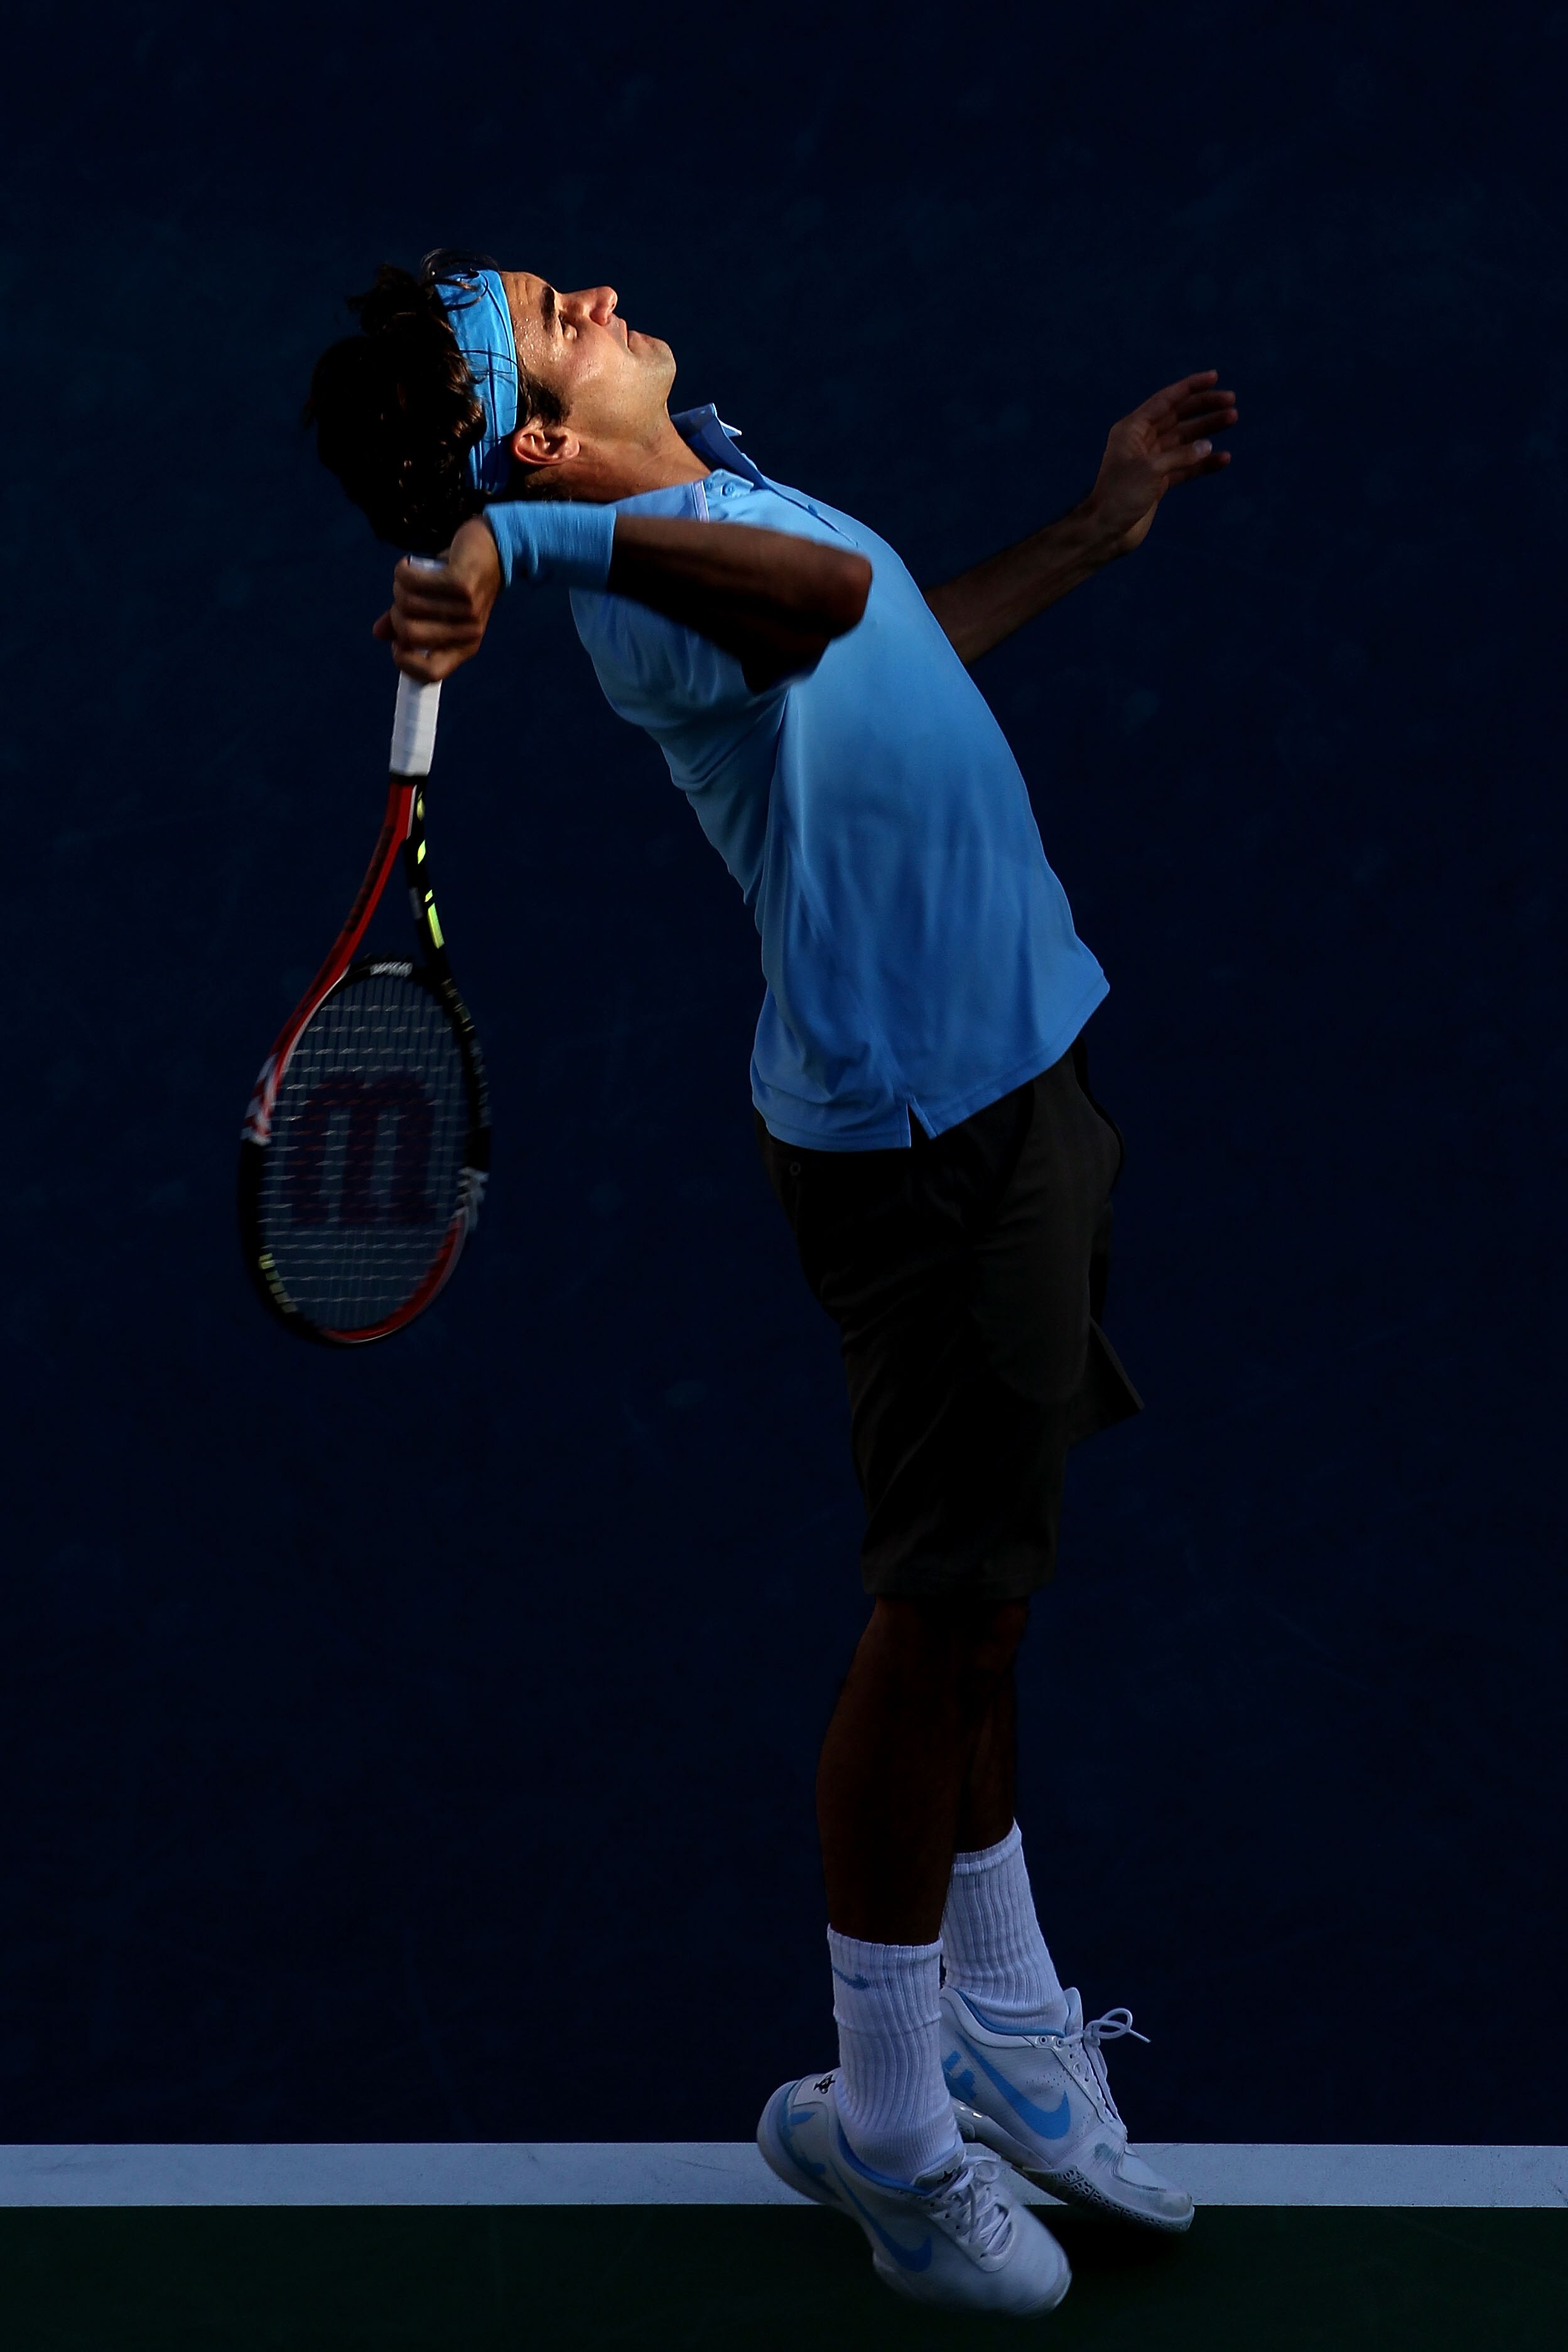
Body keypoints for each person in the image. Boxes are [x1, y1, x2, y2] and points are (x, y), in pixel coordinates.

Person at [306, 251, 1237, 2317]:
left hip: (1017, 1066)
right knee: (932, 1620)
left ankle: (1002, 2015)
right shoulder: (652, 569)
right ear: (541, 438)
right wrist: (509, 538)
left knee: (986, 1593)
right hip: (928, 1145)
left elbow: (891, 633)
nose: (605, 290)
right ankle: (886, 2125)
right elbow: (812, 612)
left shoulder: (724, 493)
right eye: (556, 316)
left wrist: (1091, 531)